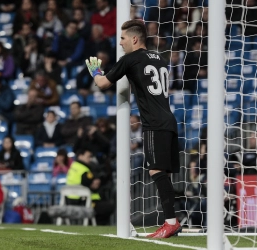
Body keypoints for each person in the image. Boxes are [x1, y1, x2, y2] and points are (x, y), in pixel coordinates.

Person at [85, 20, 181, 238]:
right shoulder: (160, 58)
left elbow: (102, 84)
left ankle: (171, 221)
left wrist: (95, 71)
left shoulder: (130, 59)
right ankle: (173, 220)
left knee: (156, 171)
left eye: (123, 38)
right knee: (163, 173)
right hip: (169, 119)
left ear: (134, 39)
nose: (120, 43)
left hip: (154, 124)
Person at [66, 148, 114, 225]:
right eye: (88, 156)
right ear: (80, 156)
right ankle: (96, 226)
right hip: (83, 201)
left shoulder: (73, 166)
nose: (90, 159)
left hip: (69, 200)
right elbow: (93, 185)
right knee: (109, 207)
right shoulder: (84, 170)